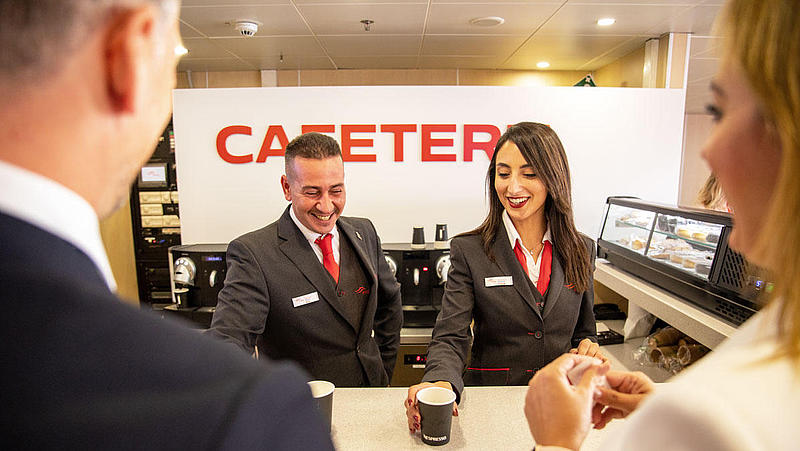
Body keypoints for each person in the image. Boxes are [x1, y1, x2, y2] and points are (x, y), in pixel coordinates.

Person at [0, 1, 333, 449]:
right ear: (131, 54)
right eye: (174, 56)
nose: (326, 203)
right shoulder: (240, 410)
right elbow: (231, 335)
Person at [524, 0, 800, 449]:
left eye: (721, 111)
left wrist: (554, 440)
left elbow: (585, 330)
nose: (708, 152)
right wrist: (658, 413)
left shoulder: (718, 419)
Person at [405, 122, 603, 432]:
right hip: (491, 404)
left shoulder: (582, 248)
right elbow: (451, 335)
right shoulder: (470, 250)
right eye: (504, 173)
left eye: (529, 174)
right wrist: (441, 382)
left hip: (558, 405)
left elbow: (583, 331)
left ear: (554, 178)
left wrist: (588, 345)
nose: (512, 187)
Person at [207, 132, 403, 388]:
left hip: (371, 394)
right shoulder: (254, 253)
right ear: (287, 188)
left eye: (336, 190)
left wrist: (383, 370)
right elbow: (229, 338)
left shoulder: (363, 232)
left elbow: (389, 305)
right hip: (302, 407)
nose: (326, 206)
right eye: (312, 192)